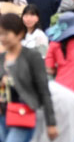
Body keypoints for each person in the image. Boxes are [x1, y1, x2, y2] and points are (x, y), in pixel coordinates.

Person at [0, 12, 58, 141]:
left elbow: (43, 89)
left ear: (19, 33)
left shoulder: (31, 57)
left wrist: (51, 122)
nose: (2, 38)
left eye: (6, 33)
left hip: (22, 114)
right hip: (2, 116)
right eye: (0, 33)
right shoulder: (1, 59)